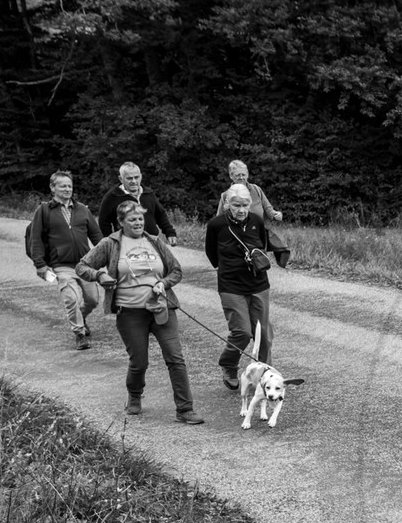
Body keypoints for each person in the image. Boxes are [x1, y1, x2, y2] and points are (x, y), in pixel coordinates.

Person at [76, 202, 204, 425]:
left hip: (161, 308)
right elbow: (81, 267)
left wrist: (163, 283)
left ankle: (185, 409)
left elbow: (176, 271)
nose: (138, 223)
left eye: (140, 219)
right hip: (129, 312)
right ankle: (135, 394)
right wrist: (99, 276)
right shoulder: (110, 244)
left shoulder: (155, 241)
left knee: (175, 358)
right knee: (139, 362)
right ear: (121, 222)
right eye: (132, 219)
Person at [204, 185, 278, 388]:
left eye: (245, 205)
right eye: (236, 205)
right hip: (231, 286)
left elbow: (261, 246)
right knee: (242, 332)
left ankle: (266, 376)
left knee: (264, 335)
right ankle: (229, 364)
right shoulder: (216, 225)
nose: (241, 209)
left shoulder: (256, 221)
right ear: (227, 204)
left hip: (258, 284)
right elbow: (212, 255)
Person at [26, 170, 104, 350]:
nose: (67, 189)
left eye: (69, 185)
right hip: (61, 265)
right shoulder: (44, 210)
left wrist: (107, 257)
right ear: (53, 188)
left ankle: (81, 318)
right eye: (63, 186)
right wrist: (40, 265)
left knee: (92, 300)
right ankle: (79, 334)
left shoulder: (82, 209)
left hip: (85, 264)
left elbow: (97, 237)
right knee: (72, 298)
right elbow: (35, 239)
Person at [97, 162, 178, 241]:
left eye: (136, 177)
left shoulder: (148, 193)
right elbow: (103, 221)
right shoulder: (112, 196)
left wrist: (170, 233)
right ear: (121, 179)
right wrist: (111, 241)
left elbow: (160, 215)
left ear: (141, 177)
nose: (134, 181)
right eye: (129, 178)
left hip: (151, 240)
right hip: (125, 243)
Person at [215, 160, 283, 222]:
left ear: (247, 174)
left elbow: (269, 210)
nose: (241, 178)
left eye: (243, 175)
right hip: (236, 233)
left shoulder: (256, 189)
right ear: (231, 176)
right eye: (238, 175)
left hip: (257, 232)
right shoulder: (225, 195)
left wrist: (276, 215)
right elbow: (218, 221)